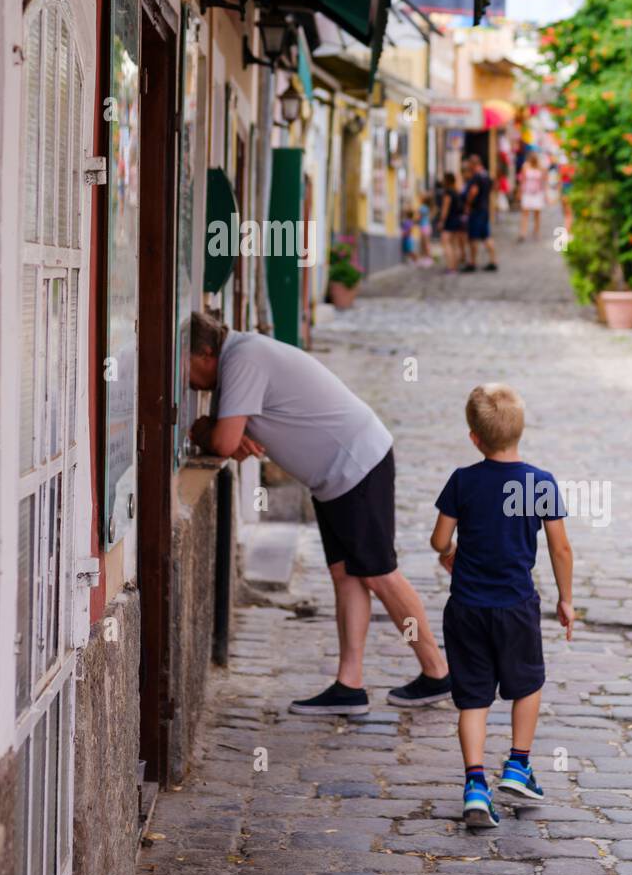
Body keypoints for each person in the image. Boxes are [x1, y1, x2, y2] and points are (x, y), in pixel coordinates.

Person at [187, 311, 452, 715]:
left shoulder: (241, 359)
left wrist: (204, 429)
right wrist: (223, 431)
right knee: (347, 573)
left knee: (379, 572)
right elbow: (232, 437)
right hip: (335, 476)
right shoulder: (239, 356)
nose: (186, 381)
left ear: (205, 353)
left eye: (185, 367)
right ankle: (350, 685)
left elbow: (224, 442)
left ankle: (437, 672)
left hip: (356, 464)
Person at [429, 384, 574, 828]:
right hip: (515, 606)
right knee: (527, 684)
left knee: (472, 699)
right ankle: (517, 765)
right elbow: (560, 548)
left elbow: (438, 540)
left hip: (467, 607)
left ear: (475, 437)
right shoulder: (540, 483)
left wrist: (448, 552)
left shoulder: (462, 481)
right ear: (521, 432)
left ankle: (475, 785)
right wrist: (566, 599)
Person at [461, 154, 498, 272]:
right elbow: (494, 187)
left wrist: (467, 204)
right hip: (484, 208)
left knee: (473, 238)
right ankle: (493, 260)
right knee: (486, 236)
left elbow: (473, 191)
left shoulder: (476, 177)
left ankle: (472, 262)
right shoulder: (486, 175)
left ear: (473, 164)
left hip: (476, 209)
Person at [438, 171, 465, 273]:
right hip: (457, 220)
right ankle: (454, 266)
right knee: (454, 244)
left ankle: (450, 266)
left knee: (446, 243)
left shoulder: (448, 193)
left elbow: (445, 208)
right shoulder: (456, 192)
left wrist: (441, 221)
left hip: (449, 221)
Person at [518, 151, 548, 241]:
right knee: (525, 213)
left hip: (537, 193)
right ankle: (523, 232)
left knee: (537, 214)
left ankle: (536, 231)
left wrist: (545, 194)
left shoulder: (541, 167)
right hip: (527, 193)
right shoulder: (525, 166)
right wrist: (520, 192)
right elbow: (522, 180)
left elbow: (544, 181)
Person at [416, 193, 434, 266]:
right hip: (428, 226)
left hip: (424, 227)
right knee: (425, 244)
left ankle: (428, 259)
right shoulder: (428, 207)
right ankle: (426, 259)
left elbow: (419, 217)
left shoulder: (422, 207)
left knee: (425, 244)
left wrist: (415, 220)